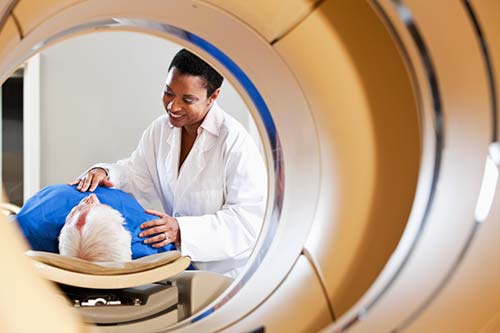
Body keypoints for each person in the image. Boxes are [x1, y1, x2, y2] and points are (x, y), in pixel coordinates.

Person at [71, 48, 267, 277]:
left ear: (213, 97)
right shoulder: (160, 129)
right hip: (180, 266)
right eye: (168, 93)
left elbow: (248, 222)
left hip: (227, 274)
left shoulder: (234, 141)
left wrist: (181, 230)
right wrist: (106, 172)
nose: (173, 107)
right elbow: (137, 176)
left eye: (188, 100)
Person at [15, 184, 176, 260]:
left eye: (78, 211)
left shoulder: (32, 220)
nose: (91, 198)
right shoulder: (154, 239)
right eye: (100, 206)